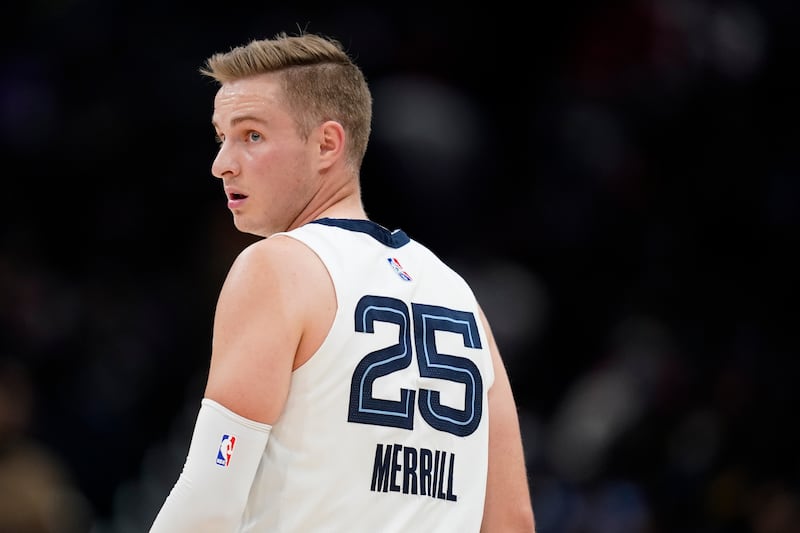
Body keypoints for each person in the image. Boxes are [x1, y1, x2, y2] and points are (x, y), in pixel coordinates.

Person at [149, 30, 535, 532]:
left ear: (327, 143)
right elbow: (512, 520)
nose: (222, 164)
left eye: (252, 136)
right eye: (222, 138)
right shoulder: (459, 295)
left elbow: (209, 500)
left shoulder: (278, 267)